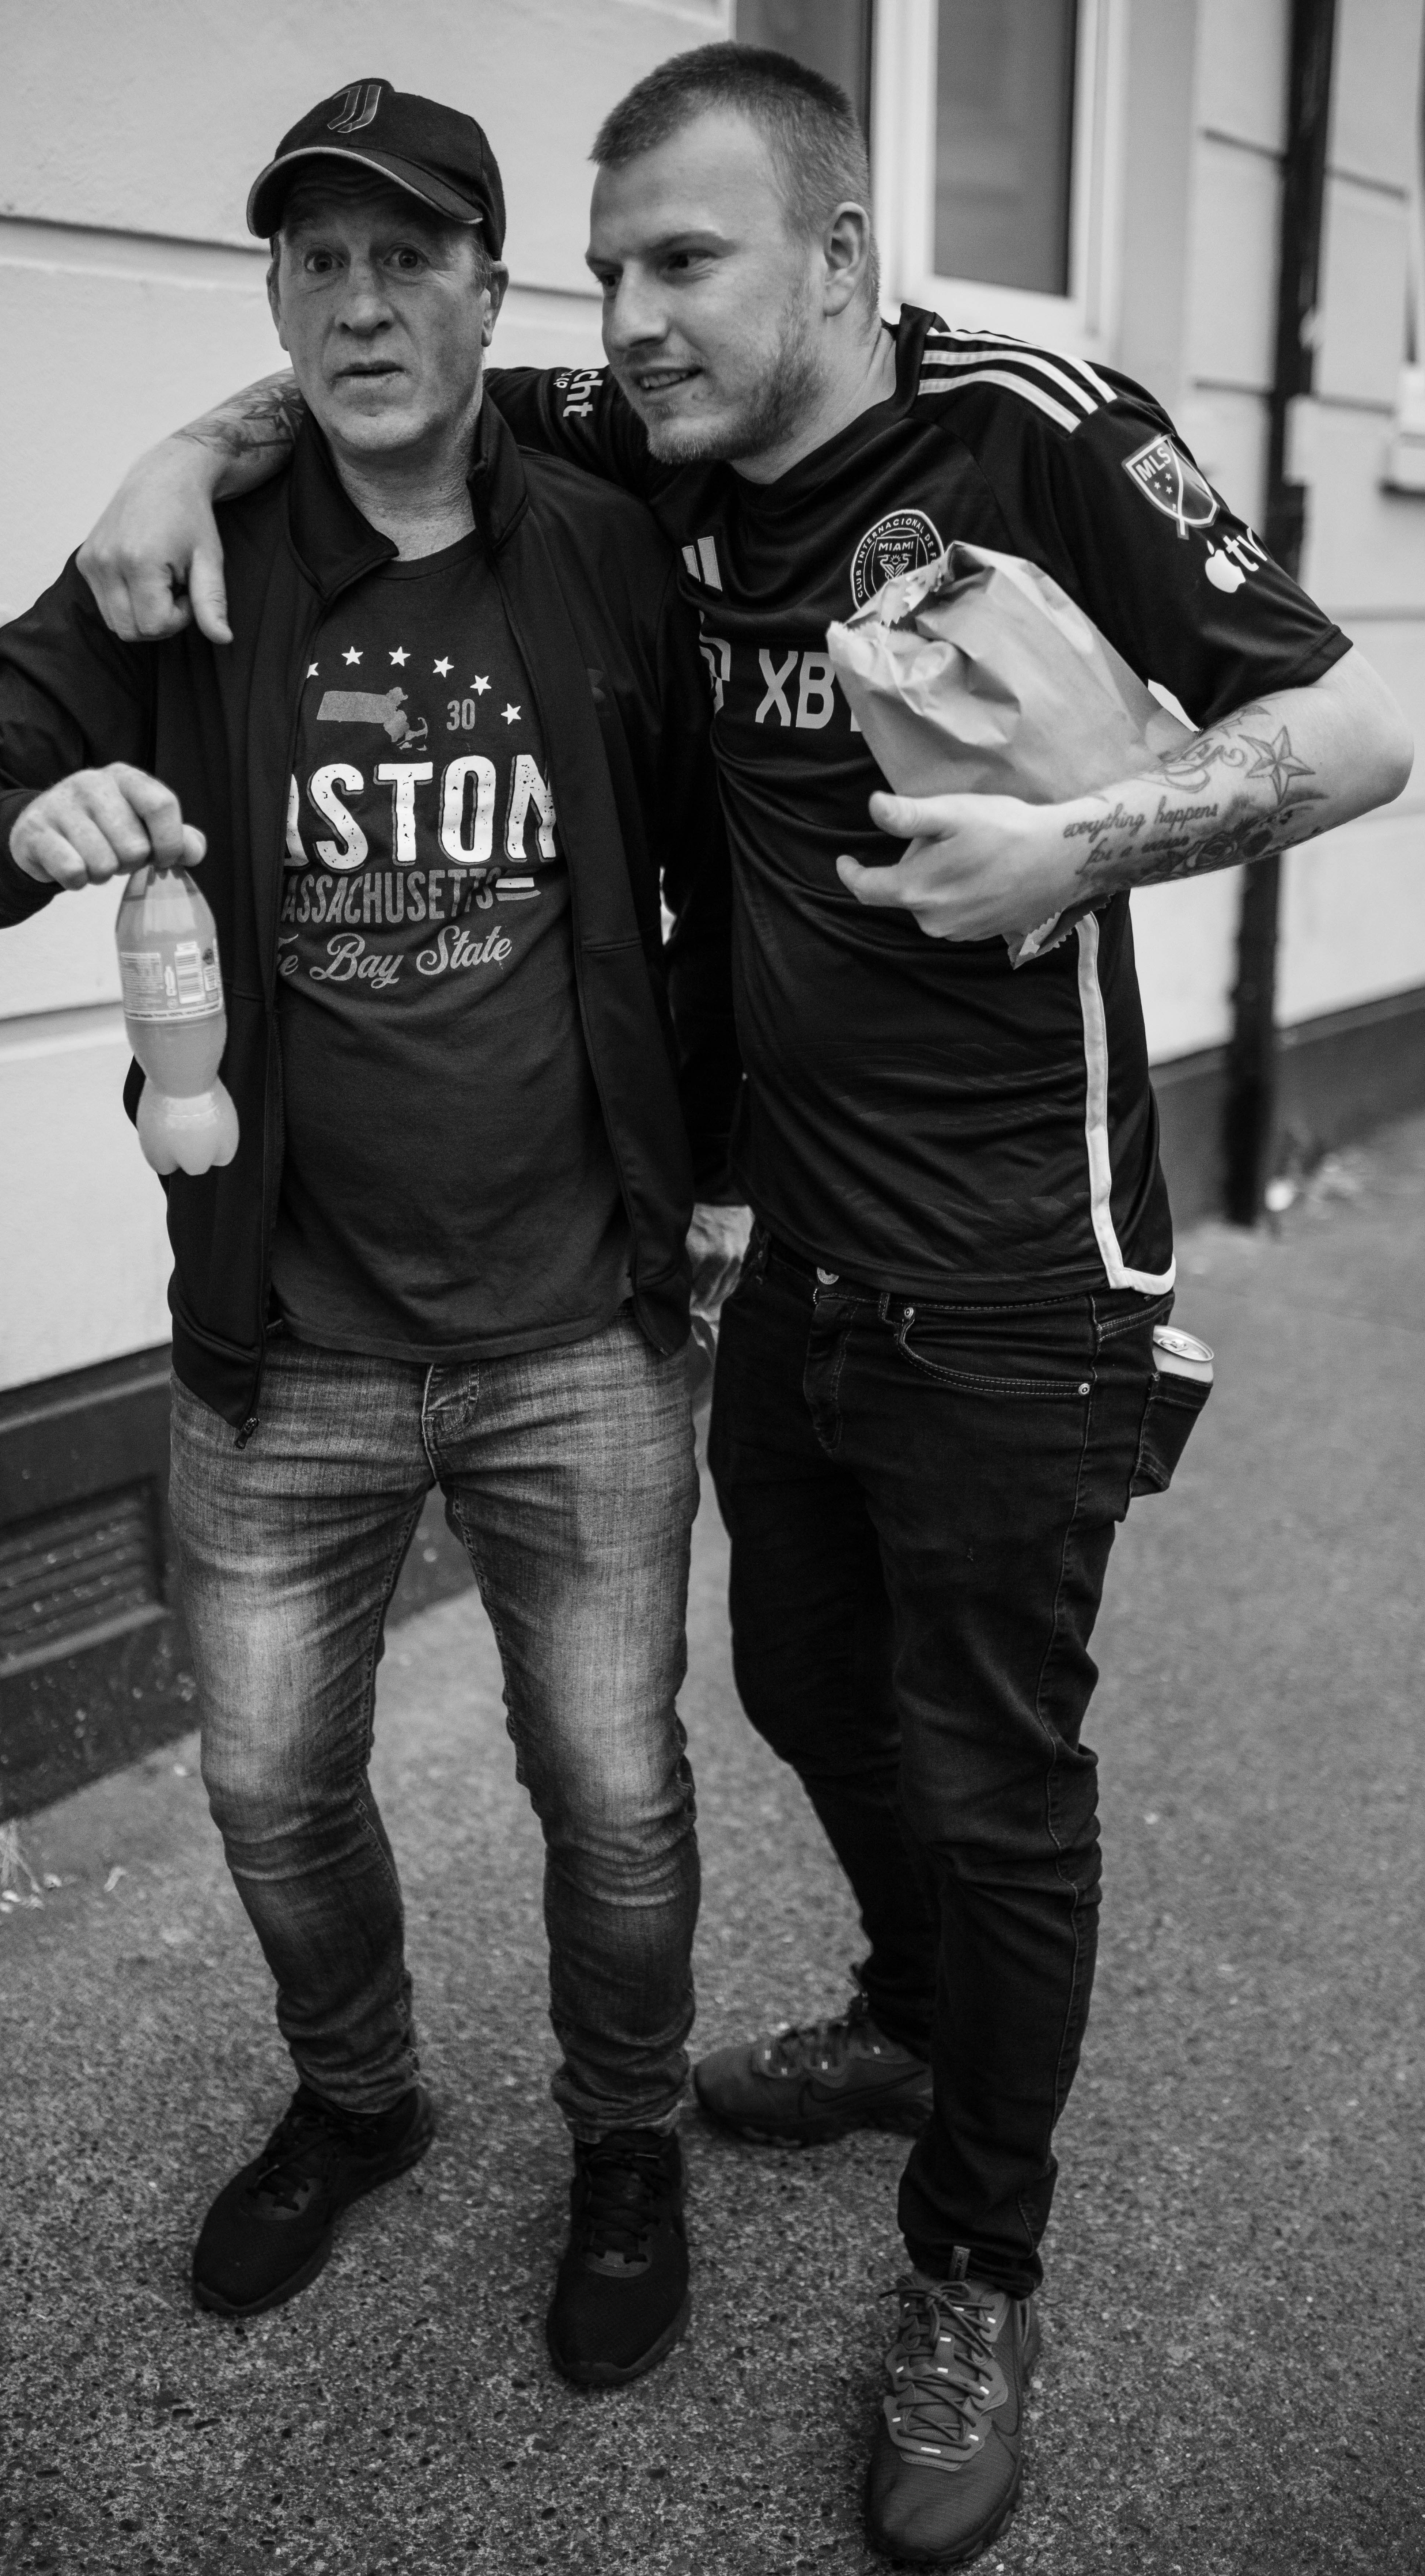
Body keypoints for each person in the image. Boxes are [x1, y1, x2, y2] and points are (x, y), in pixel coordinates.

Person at [73, 43, 1412, 2568]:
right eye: (610, 272)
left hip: (1022, 1268)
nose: (631, 320)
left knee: (997, 1774)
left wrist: (1079, 838)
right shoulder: (657, 434)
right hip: (793, 1250)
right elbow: (386, 373)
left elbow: (1355, 727)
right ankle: (915, 2015)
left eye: (685, 260)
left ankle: (975, 2267)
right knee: (797, 1681)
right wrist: (173, 457)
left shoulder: (1028, 428)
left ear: (839, 254)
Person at [0, 81, 748, 2397]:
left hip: (582, 1327)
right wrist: (29, 823)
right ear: (274, 296)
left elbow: (706, 885)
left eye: (408, 258)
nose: (362, 304)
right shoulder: (178, 569)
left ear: (486, 287)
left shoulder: (604, 551)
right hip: (286, 1338)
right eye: (317, 262)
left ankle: (627, 2139)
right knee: (269, 1784)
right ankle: (361, 2098)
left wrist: (715, 1180)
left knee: (615, 1788)